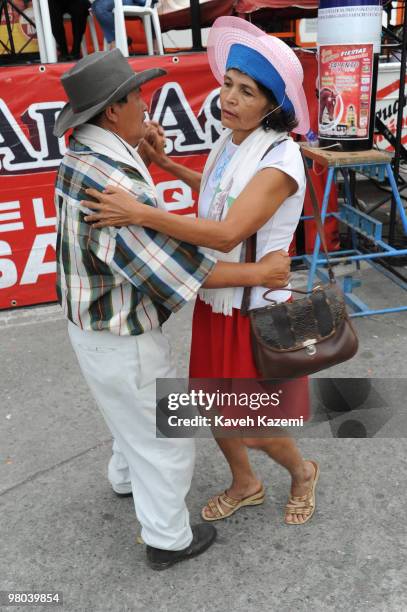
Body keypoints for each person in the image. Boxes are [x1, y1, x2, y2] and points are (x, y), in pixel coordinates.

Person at [52, 49, 290, 570]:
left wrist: (152, 160)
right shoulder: (116, 182)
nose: (146, 105)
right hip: (122, 331)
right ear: (113, 110)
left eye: (243, 90)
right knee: (165, 437)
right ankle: (168, 539)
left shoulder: (83, 154)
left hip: (91, 323)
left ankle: (124, 479)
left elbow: (219, 204)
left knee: (129, 417)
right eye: (137, 96)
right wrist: (263, 273)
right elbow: (180, 268)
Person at [82, 17, 320, 526]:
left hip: (257, 306)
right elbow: (218, 193)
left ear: (272, 105)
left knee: (254, 421)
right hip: (221, 297)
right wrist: (166, 166)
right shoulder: (233, 142)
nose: (229, 98)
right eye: (228, 84)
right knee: (213, 404)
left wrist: (140, 211)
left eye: (247, 91)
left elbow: (227, 232)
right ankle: (246, 482)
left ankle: (302, 471)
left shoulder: (281, 160)